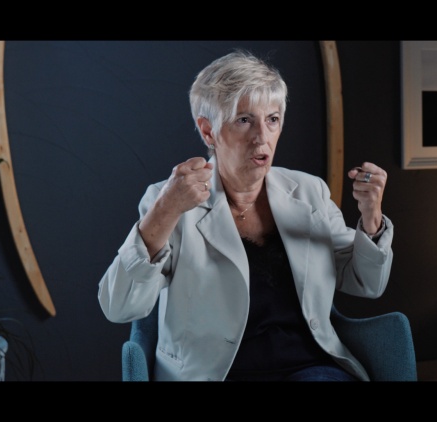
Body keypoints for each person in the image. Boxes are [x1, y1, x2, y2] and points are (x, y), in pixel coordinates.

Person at [98, 50, 394, 381]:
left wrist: (371, 216)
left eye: (272, 119)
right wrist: (165, 212)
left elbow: (366, 283)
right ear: (208, 131)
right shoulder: (167, 200)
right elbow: (119, 306)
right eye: (244, 120)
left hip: (307, 366)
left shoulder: (310, 191)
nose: (262, 137)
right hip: (214, 373)